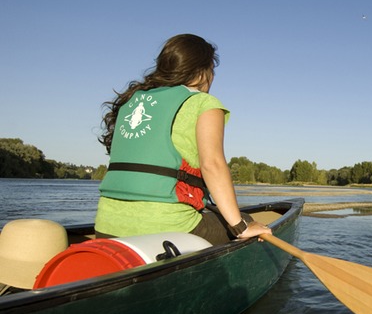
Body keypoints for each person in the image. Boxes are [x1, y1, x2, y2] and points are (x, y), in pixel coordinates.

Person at [95, 34, 272, 244]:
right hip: (166, 227)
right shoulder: (203, 103)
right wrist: (241, 226)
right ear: (201, 71)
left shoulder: (130, 101)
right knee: (247, 221)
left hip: (105, 227)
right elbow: (212, 165)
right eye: (212, 70)